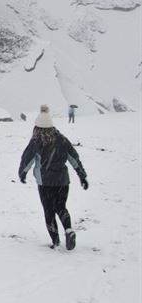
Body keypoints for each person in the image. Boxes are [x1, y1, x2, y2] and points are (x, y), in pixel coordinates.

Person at [19, 105, 88, 250]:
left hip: (45, 183)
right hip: (63, 181)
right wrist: (82, 176)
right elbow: (74, 158)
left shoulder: (36, 142)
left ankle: (56, 242)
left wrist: (22, 173)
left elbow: (27, 160)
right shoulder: (62, 140)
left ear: (37, 127)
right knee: (61, 207)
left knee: (49, 212)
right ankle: (69, 230)